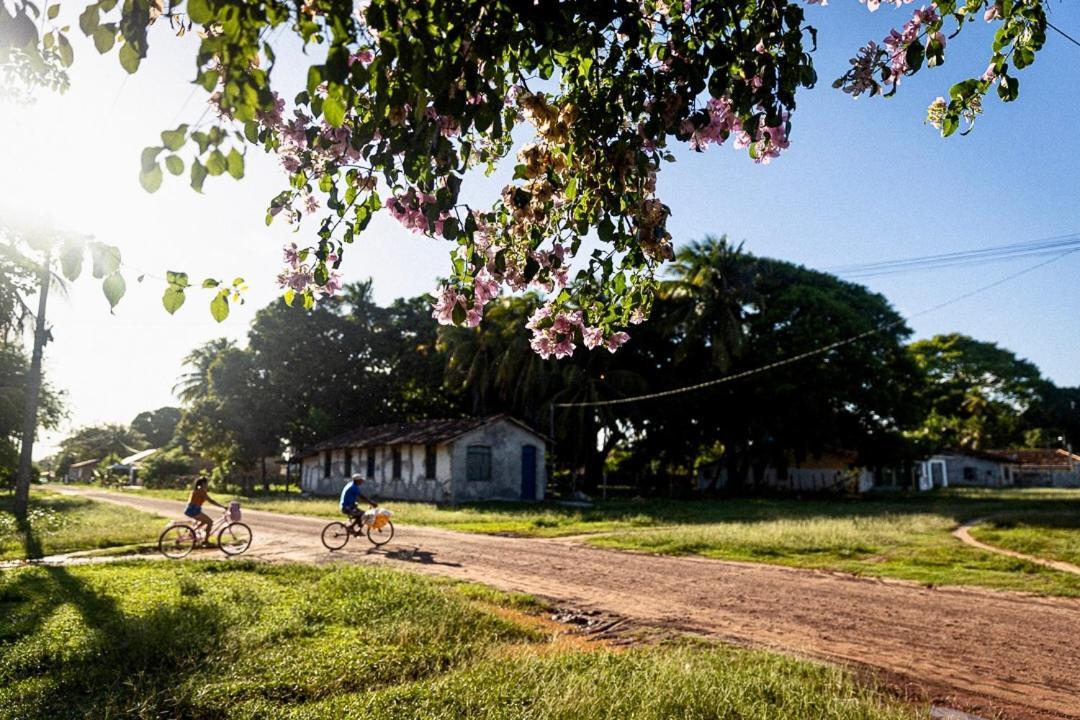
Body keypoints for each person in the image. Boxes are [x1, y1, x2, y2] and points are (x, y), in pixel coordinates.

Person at [185, 476, 224, 545]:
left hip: (191, 509)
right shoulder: (201, 491)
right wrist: (223, 507)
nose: (207, 484)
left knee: (204, 521)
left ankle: (191, 532)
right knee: (210, 522)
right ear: (203, 483)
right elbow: (211, 501)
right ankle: (206, 541)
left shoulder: (197, 489)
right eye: (206, 483)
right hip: (194, 510)